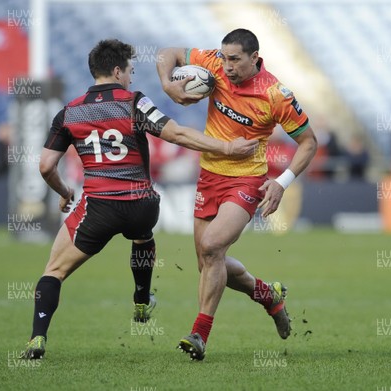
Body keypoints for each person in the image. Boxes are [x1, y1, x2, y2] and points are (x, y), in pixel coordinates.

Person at [20, 39, 258, 359]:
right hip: (141, 204)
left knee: (54, 271)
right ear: (118, 71)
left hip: (99, 206)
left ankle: (37, 339)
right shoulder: (135, 102)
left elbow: (46, 166)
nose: (132, 77)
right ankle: (142, 300)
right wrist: (226, 148)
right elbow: (176, 134)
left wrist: (64, 193)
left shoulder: (69, 112)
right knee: (142, 236)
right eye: (130, 71)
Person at [156, 28, 317, 360]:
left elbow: (309, 142)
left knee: (212, 246)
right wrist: (167, 85)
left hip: (246, 181)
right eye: (224, 57)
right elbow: (168, 53)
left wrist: (282, 182)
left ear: (254, 58)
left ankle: (199, 335)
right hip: (209, 175)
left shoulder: (275, 94)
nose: (227, 66)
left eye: (235, 60)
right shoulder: (214, 64)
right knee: (208, 263)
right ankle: (268, 296)